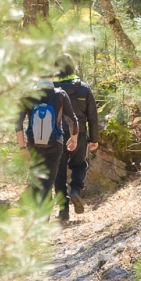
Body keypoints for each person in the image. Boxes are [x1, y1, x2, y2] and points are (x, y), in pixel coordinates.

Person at [16, 78, 79, 211]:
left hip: (33, 145)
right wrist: (74, 140)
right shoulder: (60, 94)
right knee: (48, 182)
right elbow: (72, 120)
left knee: (36, 182)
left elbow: (18, 123)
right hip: (55, 144)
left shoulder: (27, 95)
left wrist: (22, 147)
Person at [53, 54, 100, 221]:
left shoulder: (51, 90)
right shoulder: (84, 89)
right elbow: (93, 116)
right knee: (80, 165)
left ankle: (63, 211)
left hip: (57, 136)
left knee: (58, 173)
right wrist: (94, 139)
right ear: (72, 67)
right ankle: (75, 191)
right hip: (78, 134)